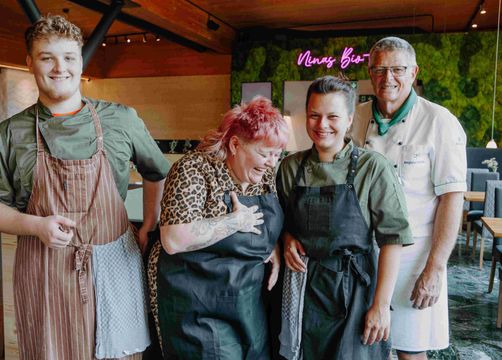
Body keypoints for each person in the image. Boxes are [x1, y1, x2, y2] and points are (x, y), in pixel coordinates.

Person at [0, 15, 169, 359]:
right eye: (47, 57)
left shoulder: (121, 119)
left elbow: (157, 172)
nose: (59, 67)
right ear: (30, 62)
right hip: (44, 270)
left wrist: (149, 224)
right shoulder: (10, 133)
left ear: (80, 61)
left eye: (69, 57)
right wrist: (34, 225)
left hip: (114, 265)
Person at [277, 75, 413, 360]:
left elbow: (392, 239)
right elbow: (281, 222)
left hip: (355, 292)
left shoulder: (372, 167)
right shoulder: (290, 167)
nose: (322, 124)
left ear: (350, 119)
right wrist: (287, 238)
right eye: (314, 115)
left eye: (332, 116)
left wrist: (380, 305)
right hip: (303, 290)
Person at [351, 37, 467, 359]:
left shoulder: (439, 122)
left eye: (398, 69)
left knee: (410, 351)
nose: (389, 78)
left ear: (413, 72)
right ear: (370, 73)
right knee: (362, 346)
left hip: (414, 259)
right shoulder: (356, 117)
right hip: (363, 254)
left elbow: (451, 199)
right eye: (380, 69)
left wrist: (435, 268)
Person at [147, 96, 288, 359]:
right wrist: (233, 221)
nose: (271, 162)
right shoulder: (194, 169)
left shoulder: (264, 175)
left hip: (245, 303)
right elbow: (173, 239)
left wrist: (274, 246)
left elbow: (271, 221)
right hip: (196, 301)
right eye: (264, 153)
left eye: (277, 154)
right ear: (235, 144)